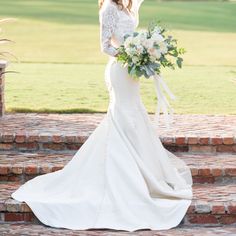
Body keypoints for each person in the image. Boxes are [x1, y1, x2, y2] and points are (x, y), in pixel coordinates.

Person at [11, 0, 192, 232]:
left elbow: (131, 35)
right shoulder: (108, 7)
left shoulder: (127, 7)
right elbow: (105, 46)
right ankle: (121, 179)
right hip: (119, 69)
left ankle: (141, 175)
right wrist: (133, 54)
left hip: (131, 72)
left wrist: (144, 52)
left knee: (134, 117)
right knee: (122, 117)